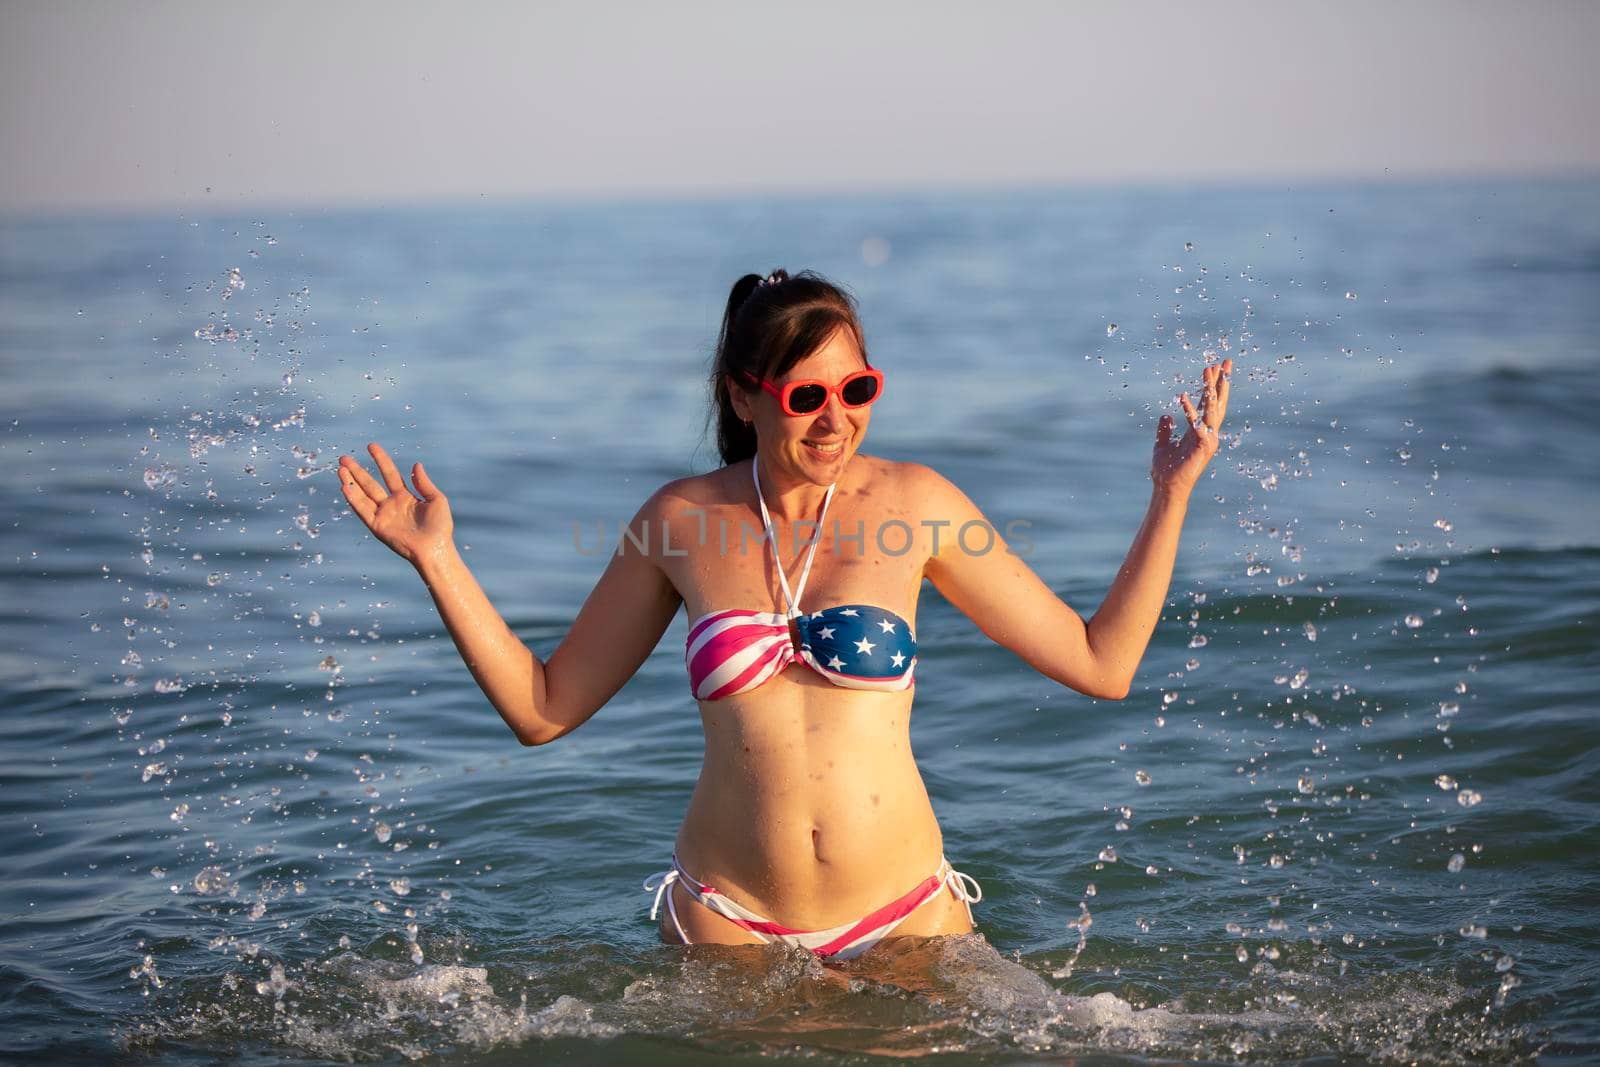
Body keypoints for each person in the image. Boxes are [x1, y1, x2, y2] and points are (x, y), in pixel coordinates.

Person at [336, 269, 1231, 961]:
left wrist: (1170, 494)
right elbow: (542, 708)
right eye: (806, 397)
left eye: (857, 390)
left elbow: (1100, 663)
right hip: (728, 927)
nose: (835, 419)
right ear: (743, 394)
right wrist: (438, 558)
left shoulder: (917, 504)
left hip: (907, 919)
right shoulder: (679, 522)